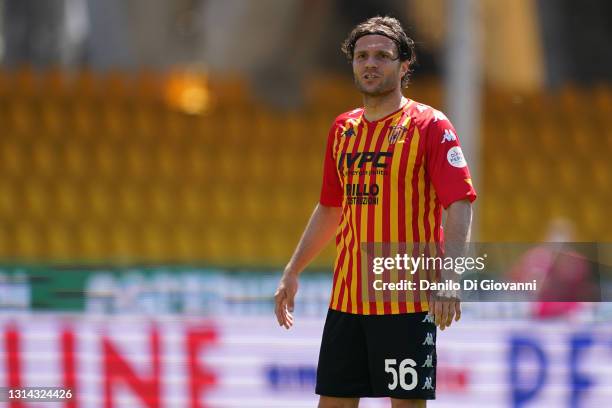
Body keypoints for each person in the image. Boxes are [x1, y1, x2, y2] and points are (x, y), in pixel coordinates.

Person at [274, 16, 476, 408]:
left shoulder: (430, 126)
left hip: (406, 299)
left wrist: (450, 279)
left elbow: (459, 203)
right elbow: (331, 207)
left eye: (382, 56)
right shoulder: (342, 129)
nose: (370, 63)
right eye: (362, 56)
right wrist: (293, 268)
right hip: (346, 300)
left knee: (404, 405)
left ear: (404, 66)